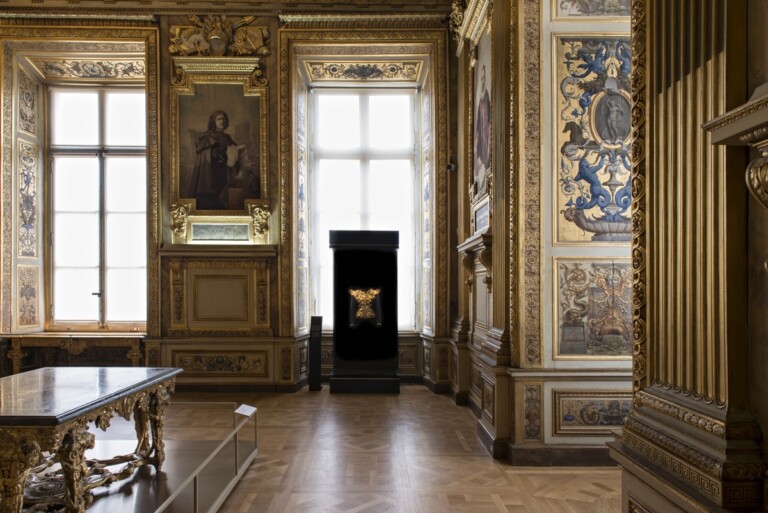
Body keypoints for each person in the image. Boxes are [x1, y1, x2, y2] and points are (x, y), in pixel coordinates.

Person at [188, 110, 243, 210]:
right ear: (214, 121)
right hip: (212, 170)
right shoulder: (208, 137)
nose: (222, 121)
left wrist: (236, 150)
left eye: (223, 119)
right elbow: (209, 154)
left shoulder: (227, 137)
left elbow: (232, 151)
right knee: (214, 198)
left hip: (226, 170)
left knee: (224, 196)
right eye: (219, 119)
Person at [474, 65, 491, 192]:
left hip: (487, 132)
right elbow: (479, 124)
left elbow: (489, 118)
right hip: (482, 134)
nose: (483, 80)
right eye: (482, 78)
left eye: (484, 77)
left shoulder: (487, 98)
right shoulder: (480, 102)